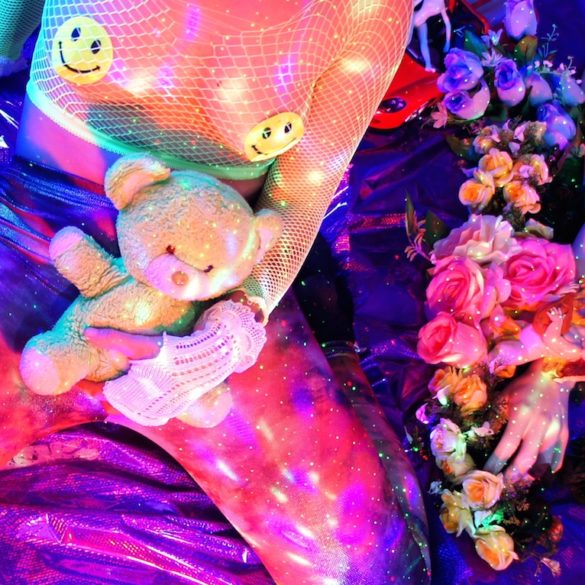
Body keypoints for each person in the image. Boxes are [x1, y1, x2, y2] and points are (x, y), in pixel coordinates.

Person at [0, 1, 431, 583]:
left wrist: (219, 341)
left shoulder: (367, 8)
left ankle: (322, 351)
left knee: (366, 564)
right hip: (43, 236)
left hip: (211, 284)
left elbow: (298, 201)